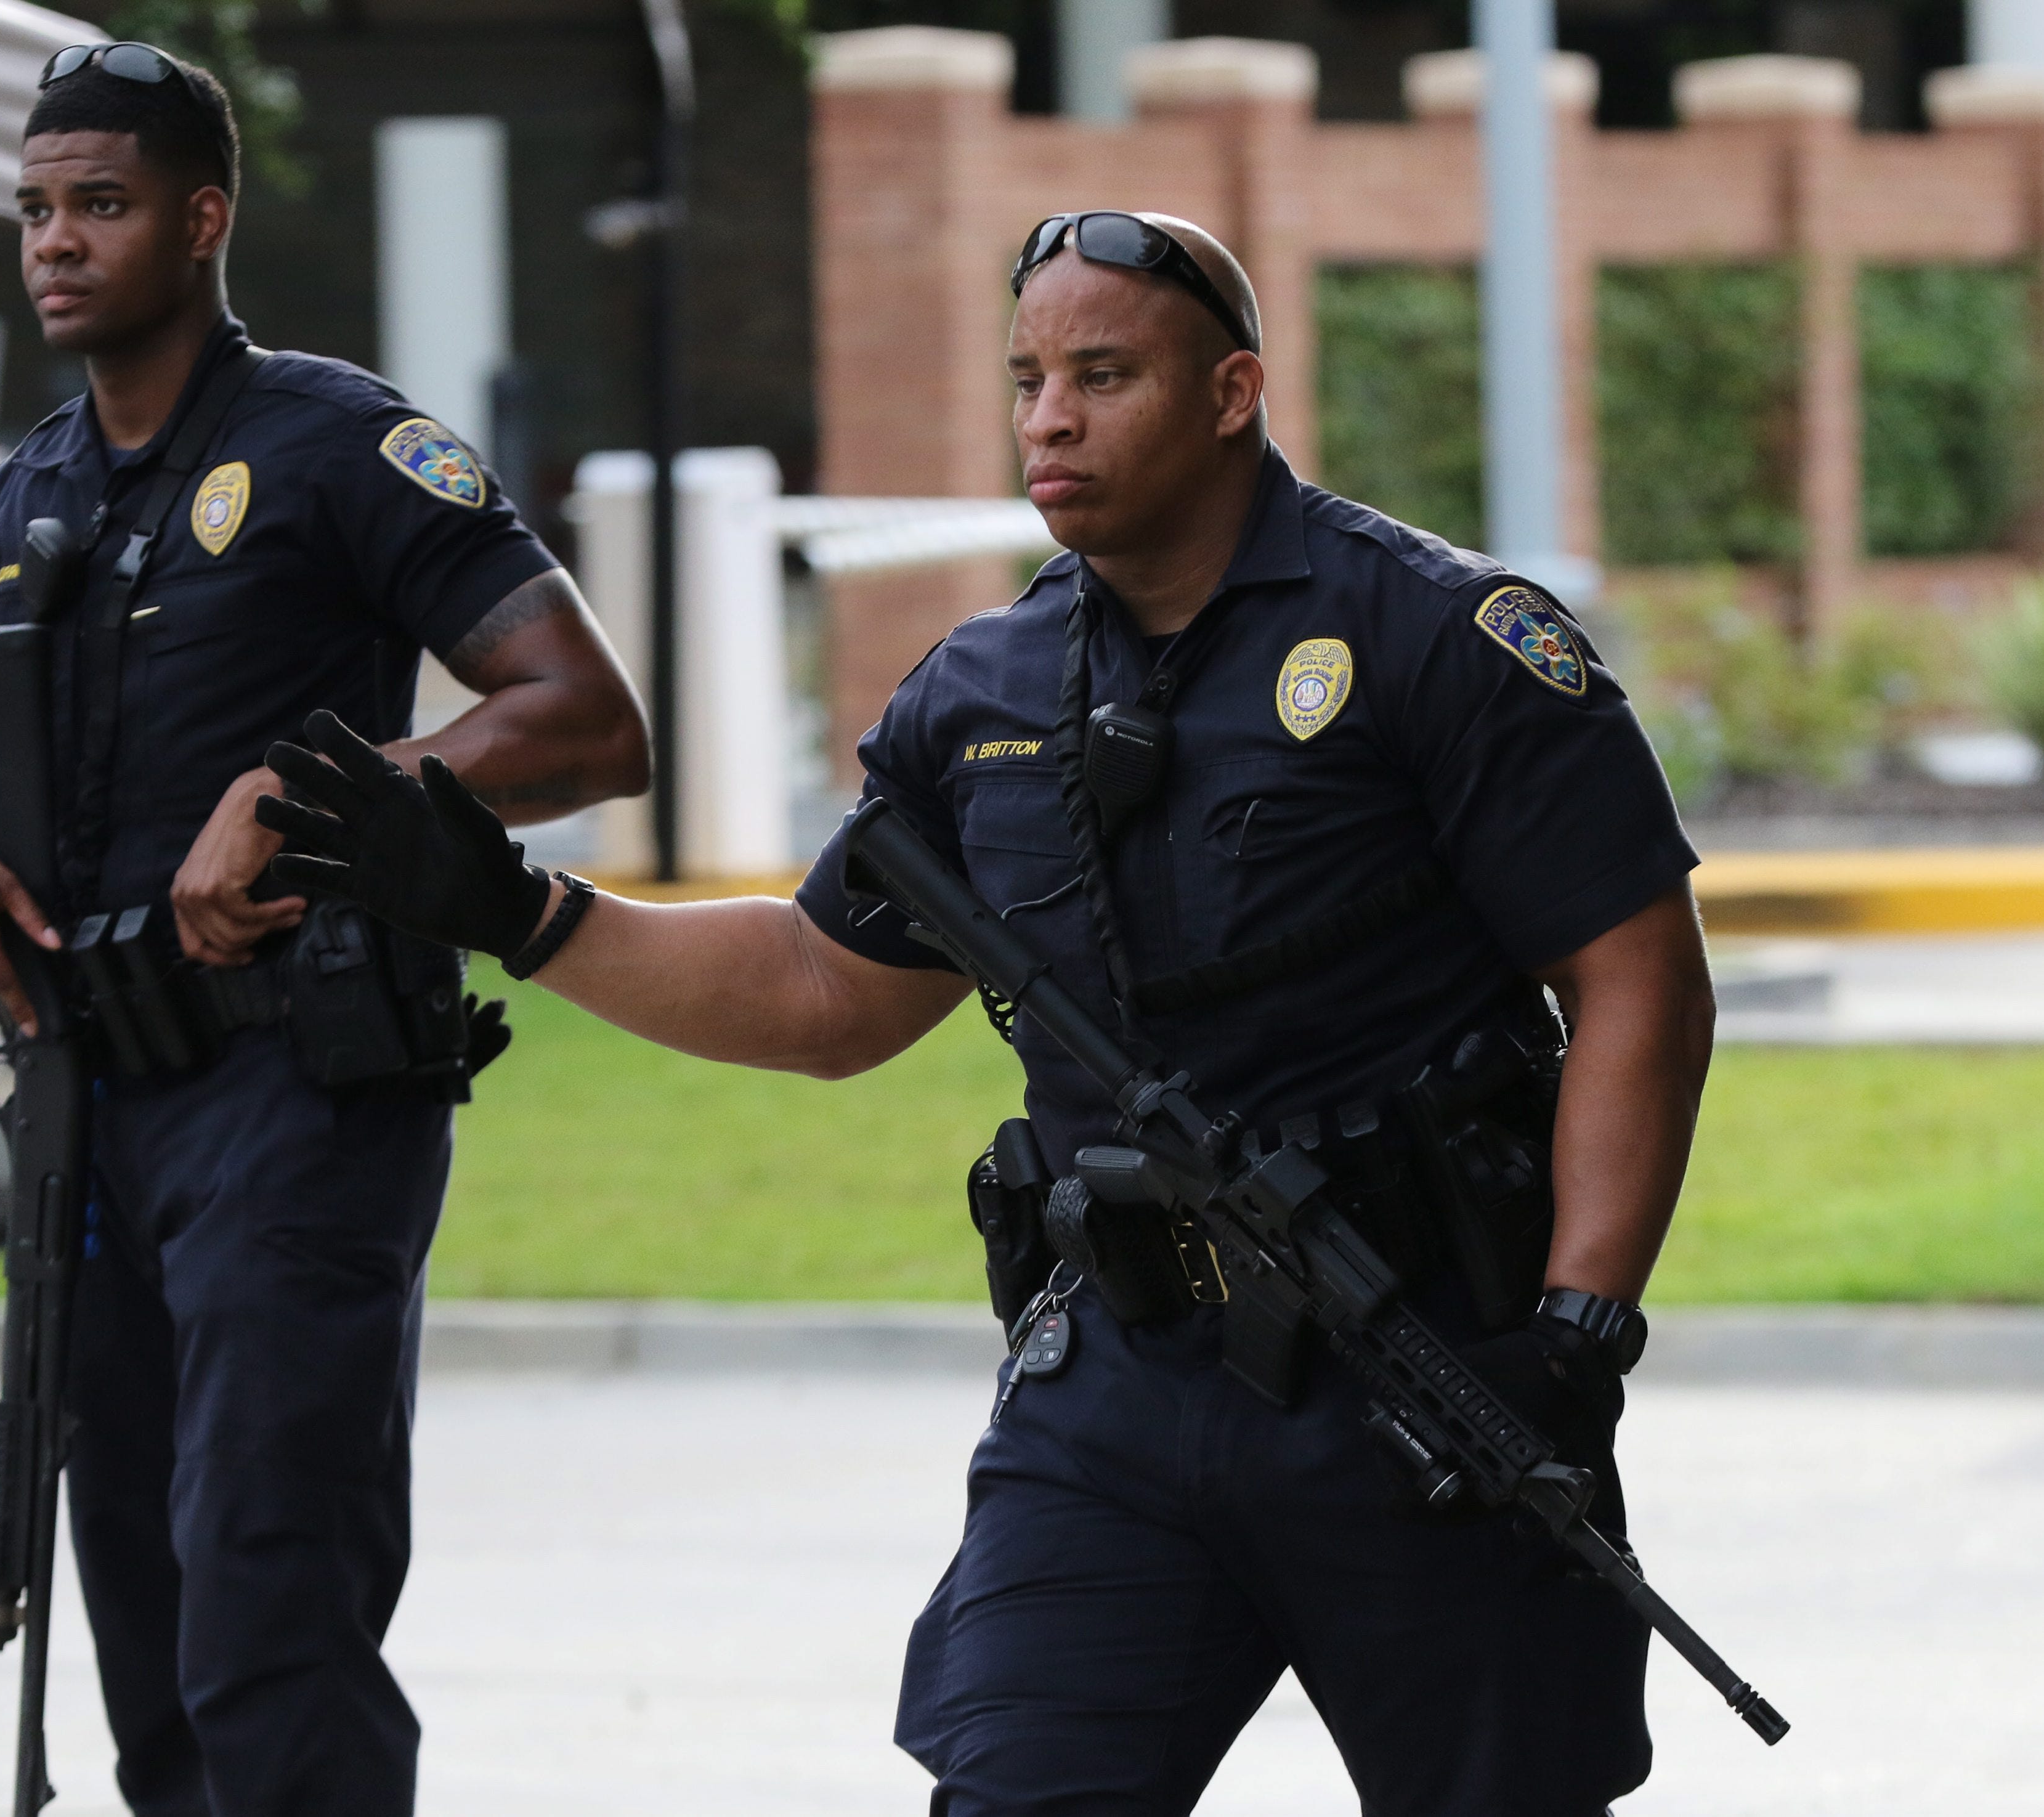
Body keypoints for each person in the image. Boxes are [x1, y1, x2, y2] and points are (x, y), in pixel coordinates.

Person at [256, 208, 1715, 1816]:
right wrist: (521, 916)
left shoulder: (1432, 638)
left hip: (1422, 1362)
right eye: (1026, 377)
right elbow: (826, 994)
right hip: (1120, 1379)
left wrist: (1575, 1339)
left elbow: (1635, 970)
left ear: (1230, 393)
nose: (1049, 417)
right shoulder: (982, 691)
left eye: (1105, 375)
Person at [0, 44, 648, 1817]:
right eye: (34, 210)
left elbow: (584, 718)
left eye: (102, 203)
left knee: (264, 1608)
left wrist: (319, 803)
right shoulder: (29, 494)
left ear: (203, 217)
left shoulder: (334, 442)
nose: (56, 243)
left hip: (295, 1098)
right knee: (141, 1632)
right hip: (95, 1110)